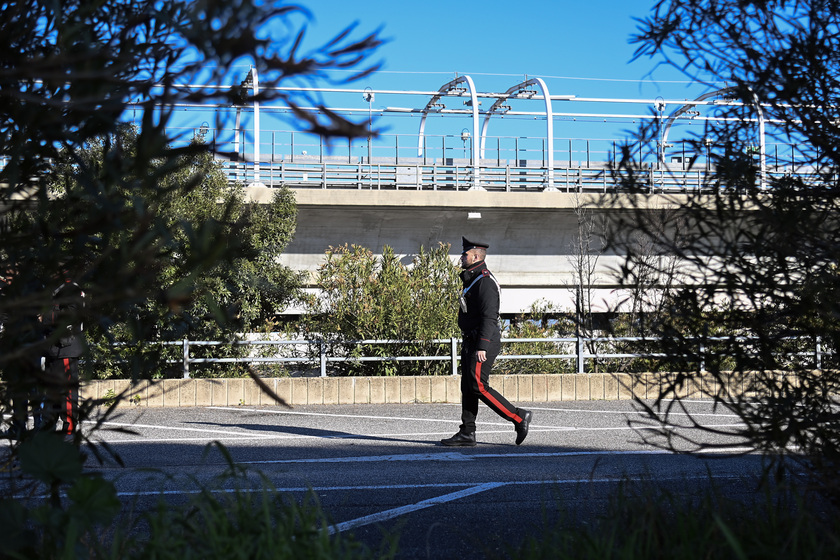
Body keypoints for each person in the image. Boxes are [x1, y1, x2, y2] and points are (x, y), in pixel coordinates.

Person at [441, 237, 532, 447]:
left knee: (478, 385)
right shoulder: (472, 279)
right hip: (471, 340)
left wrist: (482, 345)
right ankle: (467, 432)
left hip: (484, 342)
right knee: (468, 386)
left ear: (474, 256)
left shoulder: (485, 281)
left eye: (464, 254)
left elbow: (490, 316)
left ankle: (518, 417)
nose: (461, 257)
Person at [42, 277, 85, 437]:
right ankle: (49, 427)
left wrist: (47, 317)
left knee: (66, 393)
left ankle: (69, 428)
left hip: (66, 346)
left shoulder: (70, 288)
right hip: (53, 347)